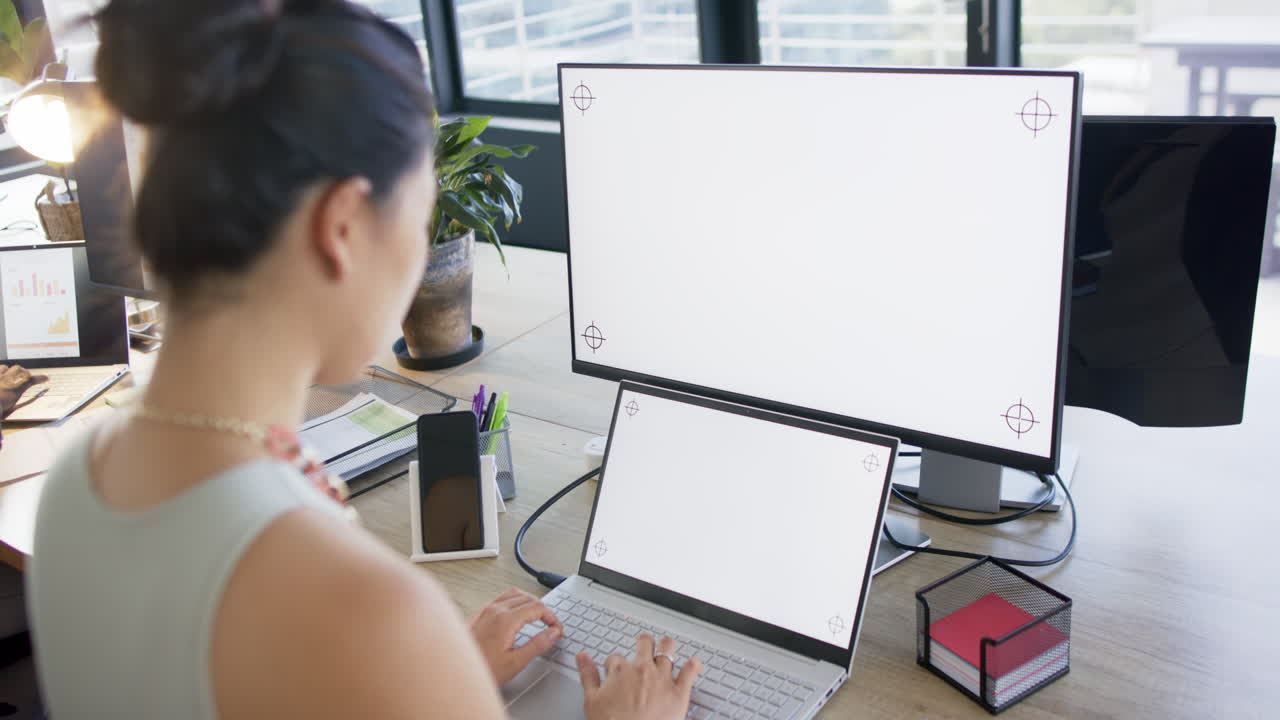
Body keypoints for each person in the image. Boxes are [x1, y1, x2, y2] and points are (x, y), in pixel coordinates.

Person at [26, 1, 700, 718]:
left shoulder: (77, 473)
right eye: (419, 218)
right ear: (341, 226)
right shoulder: (365, 613)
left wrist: (434, 679)